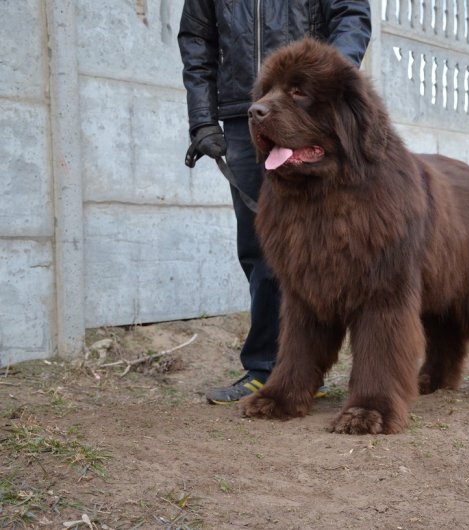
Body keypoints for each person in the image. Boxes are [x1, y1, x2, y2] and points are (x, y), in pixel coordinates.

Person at [177, 0, 372, 403]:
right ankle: (267, 368)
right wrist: (201, 120)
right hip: (245, 111)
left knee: (332, 247)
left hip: (310, 110)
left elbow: (351, 14)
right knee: (261, 247)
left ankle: (326, 368)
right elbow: (197, 40)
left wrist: (327, 82)